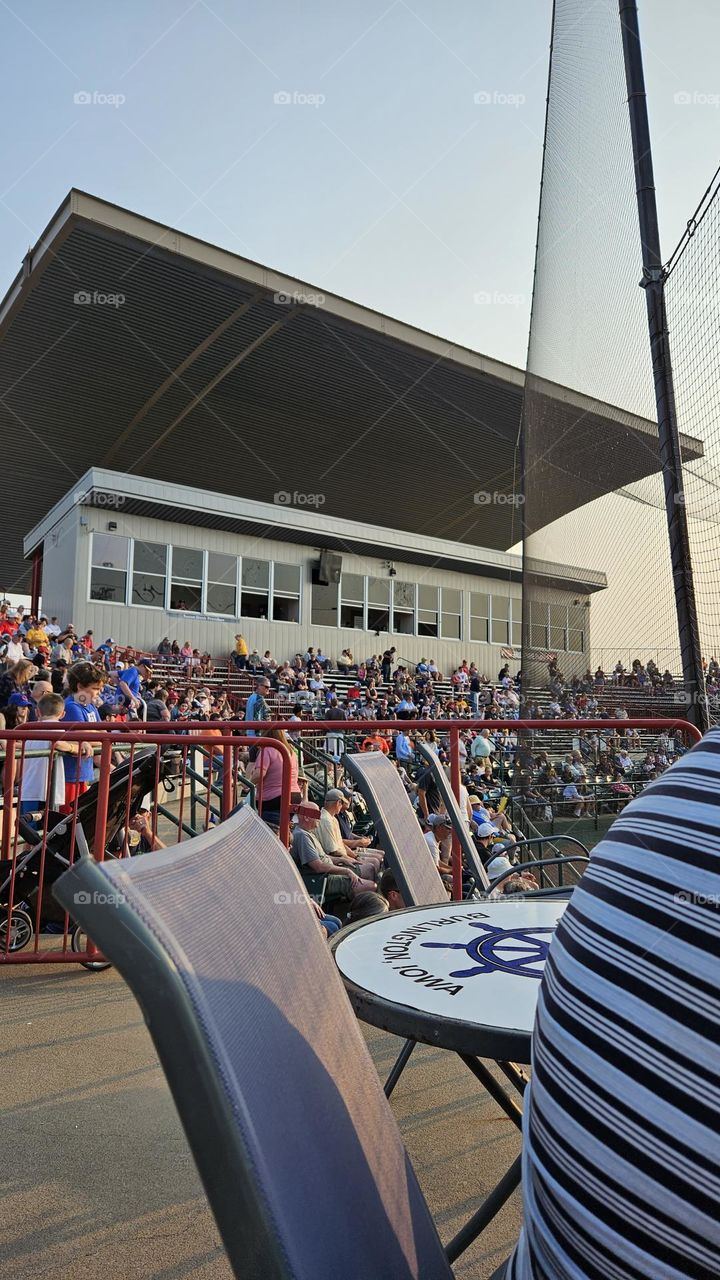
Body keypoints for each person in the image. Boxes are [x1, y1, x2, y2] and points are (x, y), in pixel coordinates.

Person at [290, 802, 384, 918]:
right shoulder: (302, 836)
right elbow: (318, 866)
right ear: (306, 817)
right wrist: (347, 871)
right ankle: (359, 917)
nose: (319, 817)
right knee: (371, 886)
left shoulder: (307, 833)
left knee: (369, 869)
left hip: (326, 874)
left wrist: (343, 860)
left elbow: (322, 857)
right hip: (321, 880)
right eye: (316, 814)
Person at [60, 662, 104, 813]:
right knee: (68, 818)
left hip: (83, 772)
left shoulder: (90, 706)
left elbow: (102, 733)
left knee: (81, 817)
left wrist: (97, 735)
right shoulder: (71, 706)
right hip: (69, 774)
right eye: (95, 688)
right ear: (79, 687)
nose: (98, 692)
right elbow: (84, 735)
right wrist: (97, 736)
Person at [317, 789, 383, 880]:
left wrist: (356, 857)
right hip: (334, 863)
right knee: (370, 868)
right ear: (338, 803)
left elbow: (341, 844)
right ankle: (366, 891)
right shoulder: (326, 820)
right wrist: (352, 859)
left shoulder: (332, 818)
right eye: (342, 803)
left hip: (342, 857)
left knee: (375, 862)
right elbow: (334, 852)